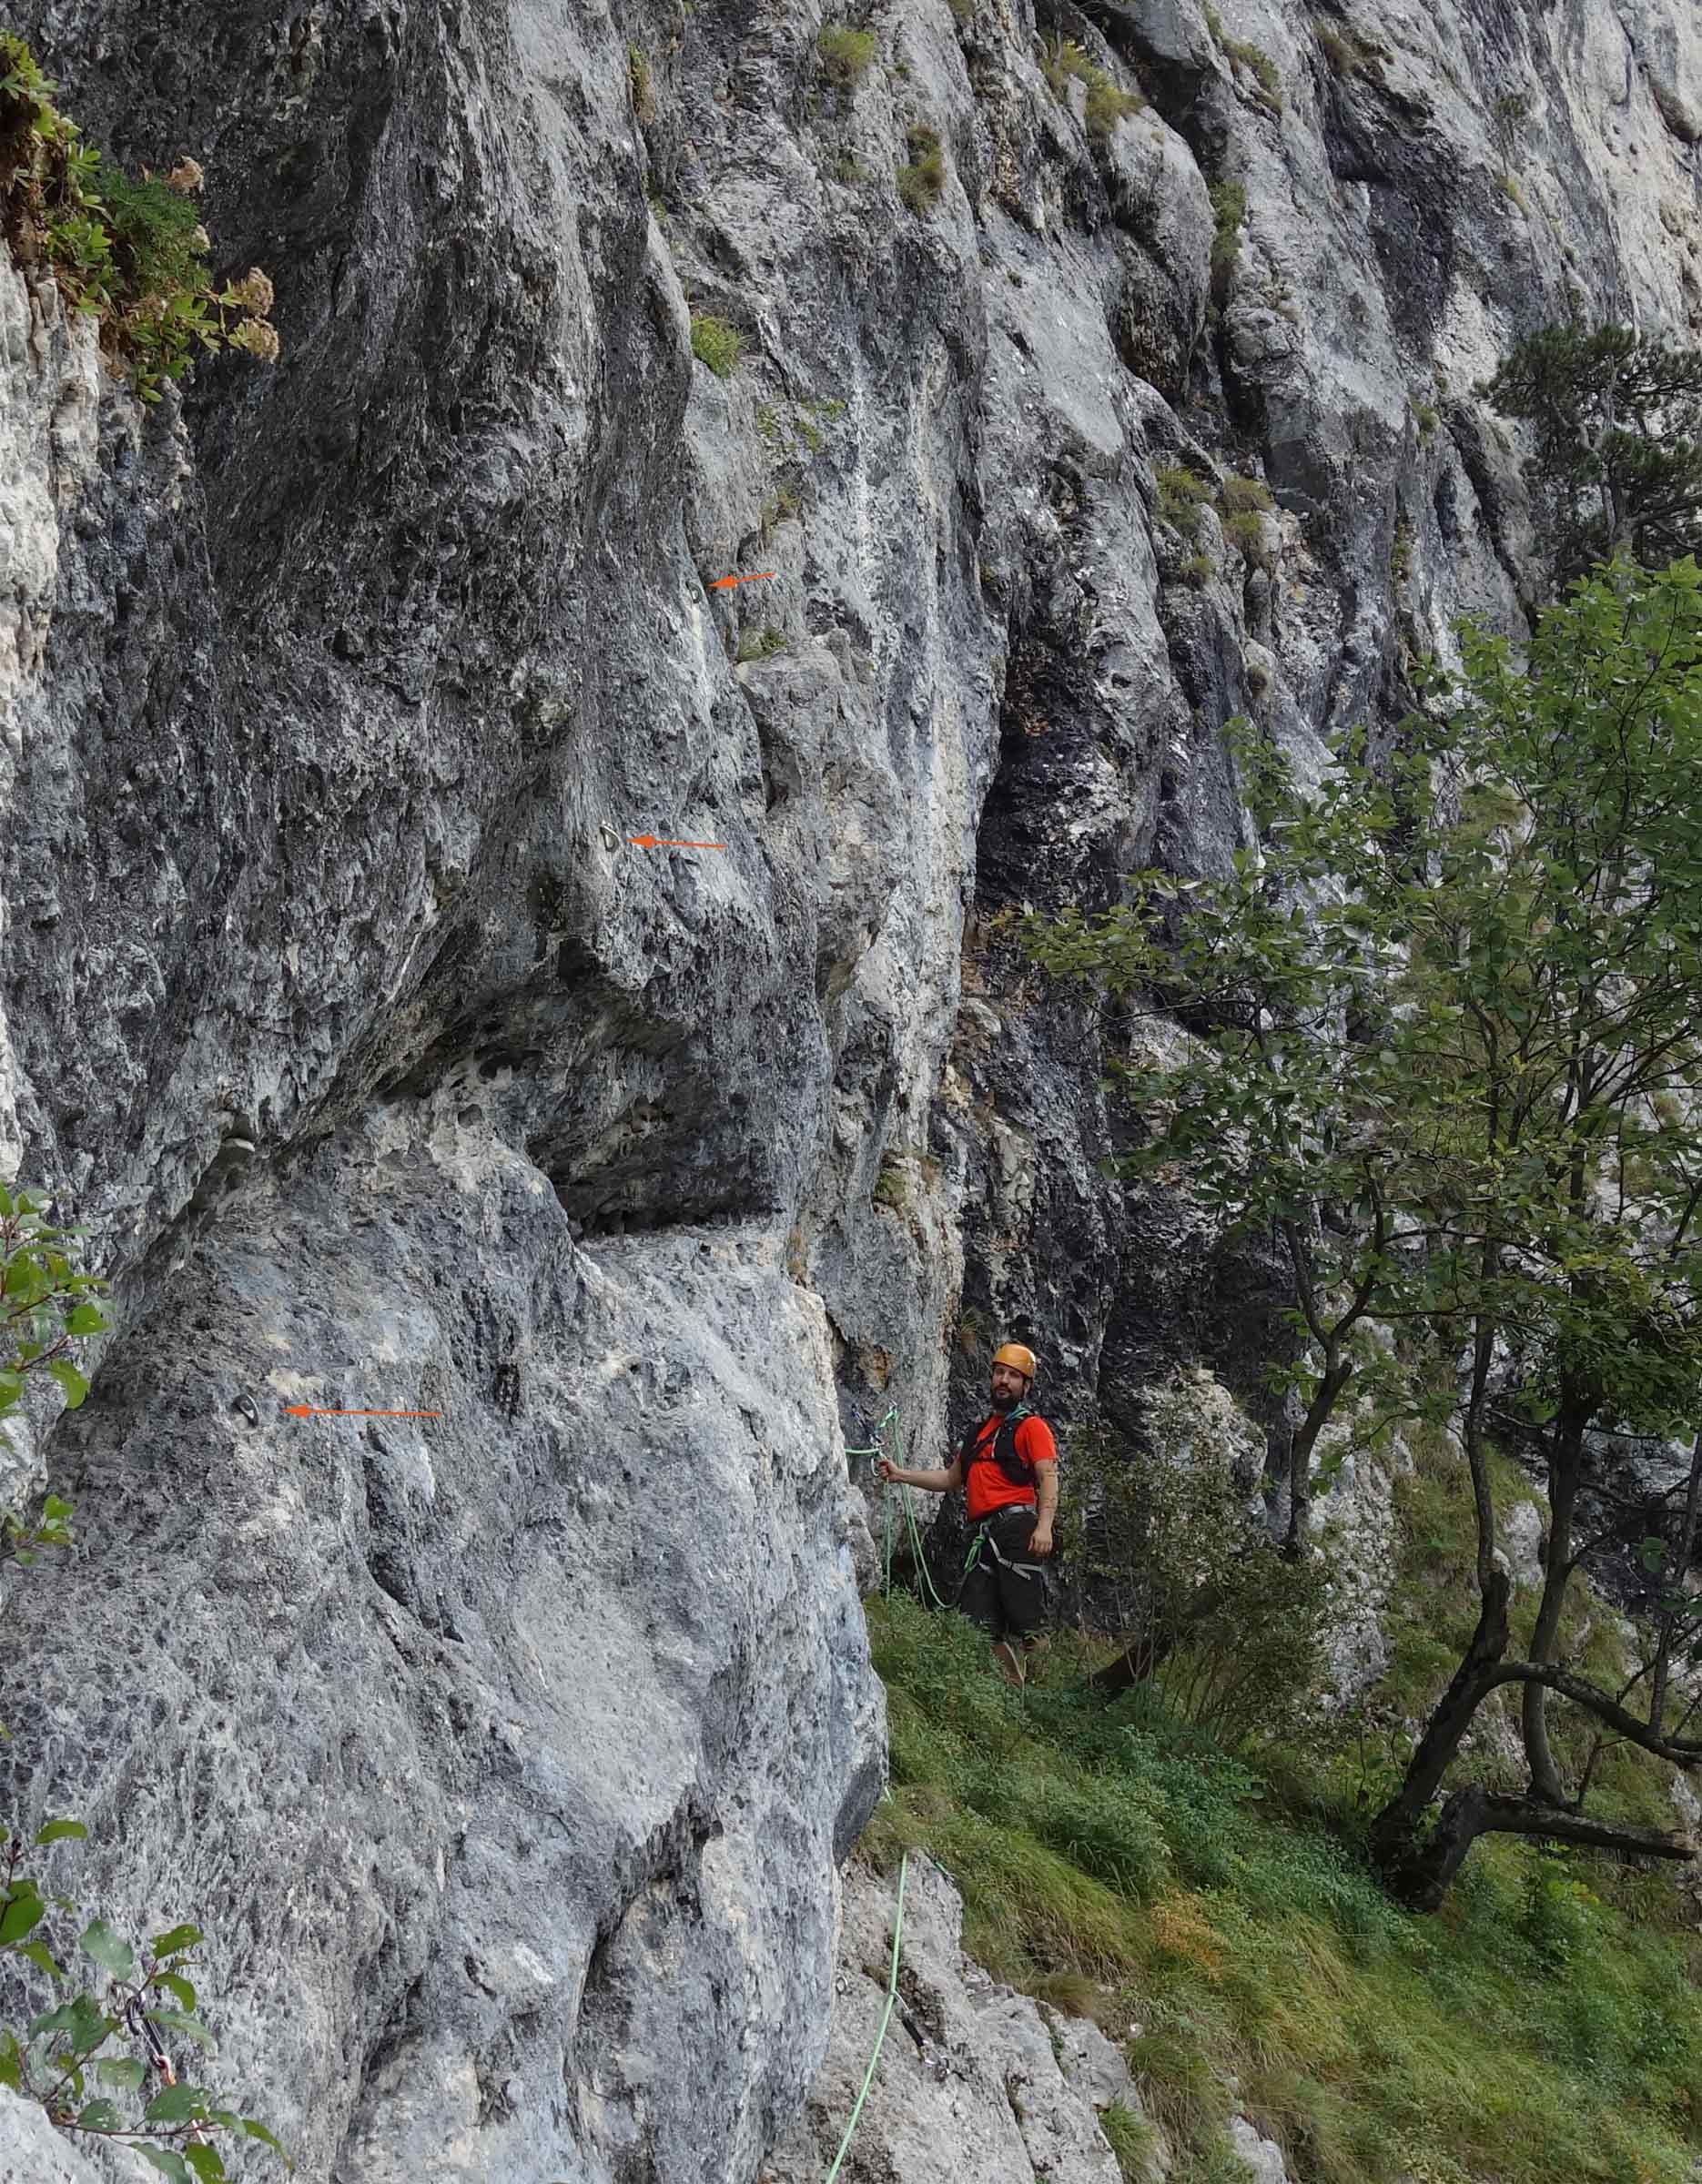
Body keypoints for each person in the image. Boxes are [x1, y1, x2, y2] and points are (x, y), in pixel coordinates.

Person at [878, 1341, 1058, 1684]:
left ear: (1026, 1386)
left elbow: (1047, 1477)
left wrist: (1044, 1526)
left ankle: (1047, 1703)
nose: (1004, 1381)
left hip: (1017, 1529)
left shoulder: (1032, 1428)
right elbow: (950, 1478)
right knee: (978, 1625)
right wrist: (900, 1474)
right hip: (984, 1535)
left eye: (1013, 1376)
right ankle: (1015, 1694)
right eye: (1000, 1373)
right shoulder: (978, 1432)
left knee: (1028, 1622)